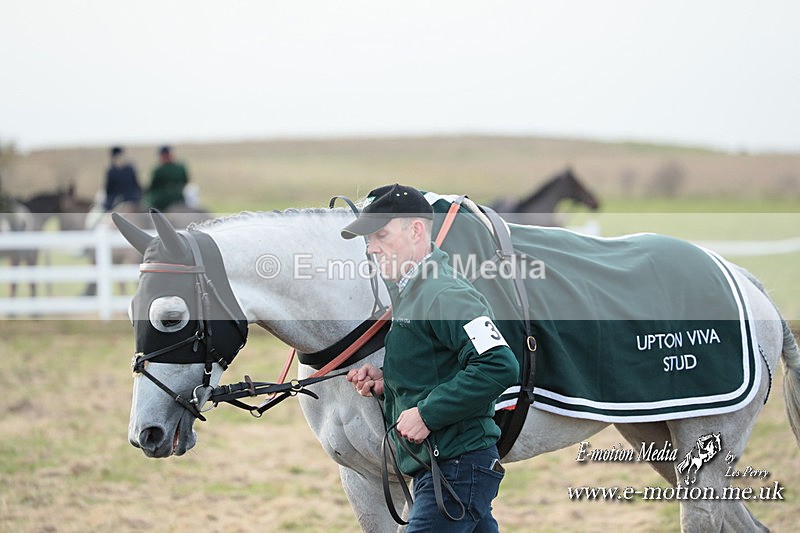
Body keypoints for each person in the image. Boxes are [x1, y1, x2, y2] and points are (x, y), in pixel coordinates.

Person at [342, 184, 519, 532]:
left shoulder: (445, 292)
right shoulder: (413, 291)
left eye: (380, 235)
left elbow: (499, 363)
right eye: (368, 240)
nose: (371, 249)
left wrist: (427, 413)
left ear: (417, 230)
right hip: (443, 466)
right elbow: (438, 363)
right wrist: (385, 380)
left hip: (457, 466)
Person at [145, 145, 189, 211]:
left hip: (162, 201)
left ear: (162, 156)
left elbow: (152, 187)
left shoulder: (159, 170)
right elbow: (185, 181)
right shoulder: (180, 168)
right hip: (179, 198)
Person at [103, 146, 141, 211]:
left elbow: (108, 190)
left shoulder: (111, 171)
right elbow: (137, 186)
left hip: (117, 201)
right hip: (133, 200)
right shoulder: (131, 168)